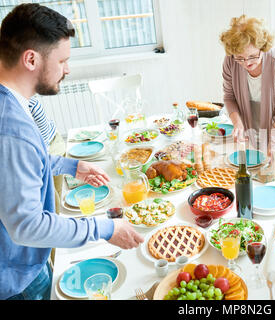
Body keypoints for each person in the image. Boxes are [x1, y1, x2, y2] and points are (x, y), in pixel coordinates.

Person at [0, 3, 144, 300]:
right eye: (63, 60)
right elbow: (28, 226)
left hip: (24, 263)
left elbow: (21, 166)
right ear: (30, 59)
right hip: (17, 276)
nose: (68, 69)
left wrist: (70, 167)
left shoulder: (13, 106)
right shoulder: (11, 128)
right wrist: (104, 228)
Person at [220, 14, 275, 151]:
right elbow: (229, 97)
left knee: (273, 165)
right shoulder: (230, 61)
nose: (247, 63)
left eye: (252, 56)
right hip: (250, 123)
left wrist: (272, 147)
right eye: (240, 58)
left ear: (263, 47)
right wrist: (237, 123)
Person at [28, 96, 66, 213]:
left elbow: (45, 144)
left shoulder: (32, 105)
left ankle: (58, 218)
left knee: (56, 193)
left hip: (52, 145)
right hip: (35, 152)